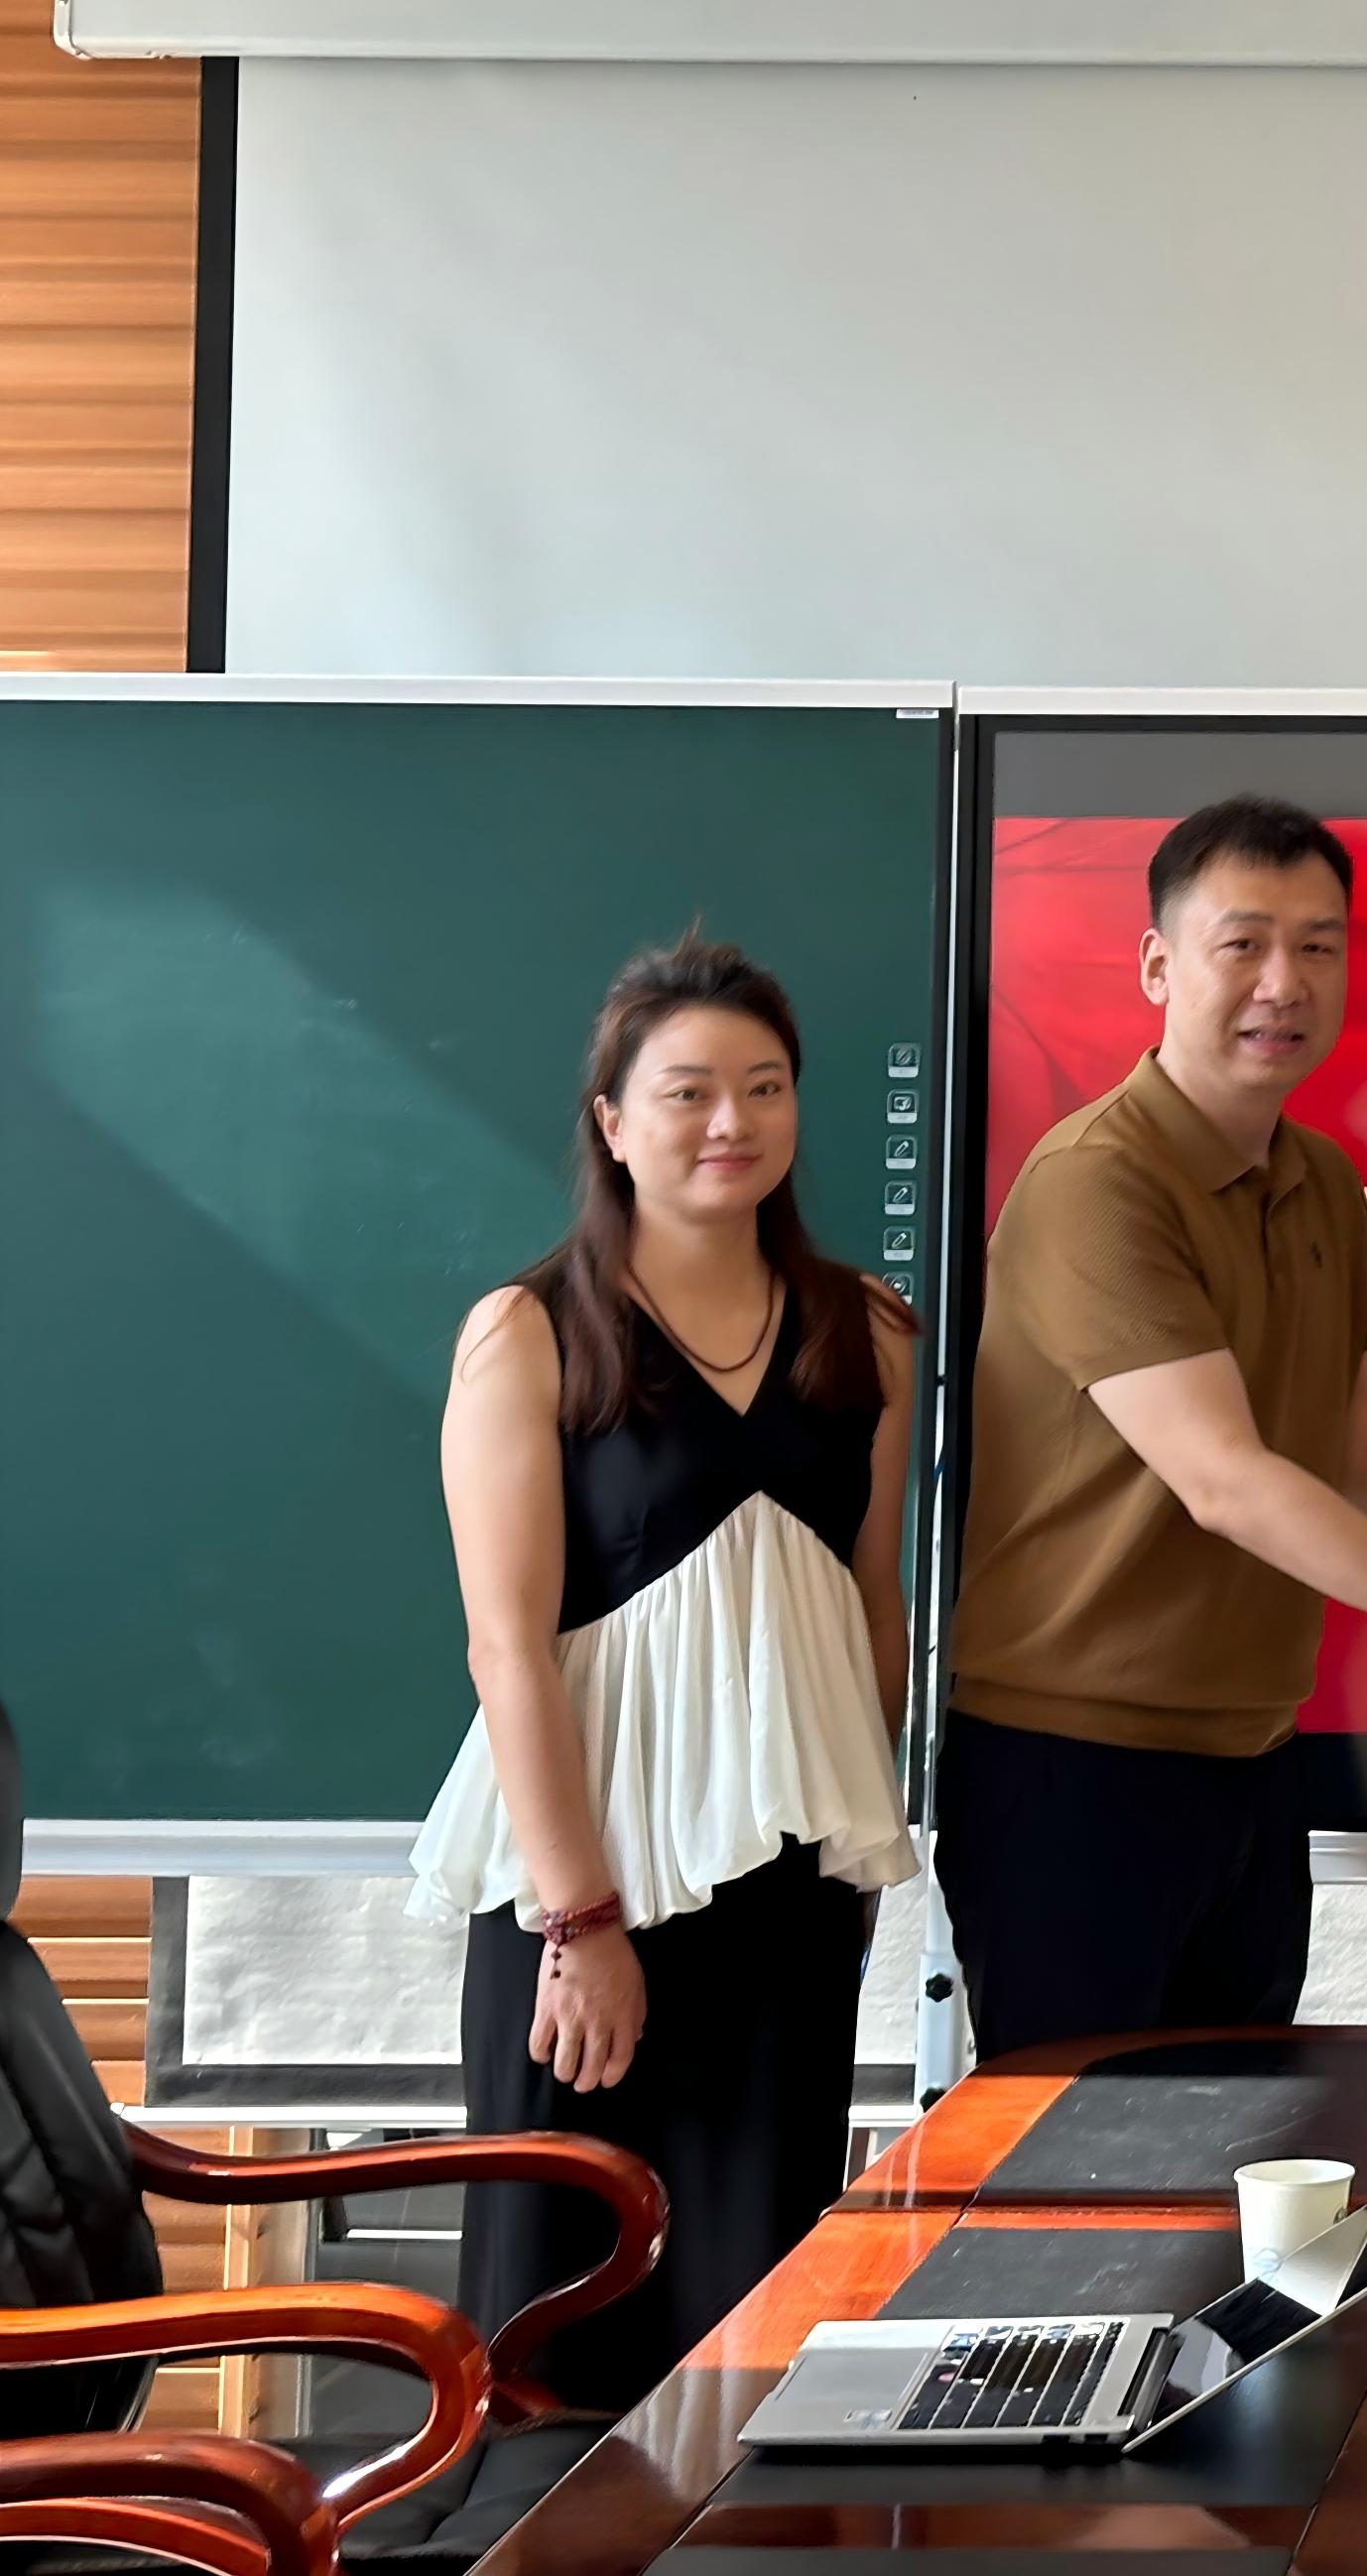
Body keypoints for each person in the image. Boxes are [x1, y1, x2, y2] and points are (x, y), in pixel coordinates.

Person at [939, 796, 1367, 2061]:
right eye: (1244, 944)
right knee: (1074, 2162)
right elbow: (1226, 1480)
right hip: (1072, 1767)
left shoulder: (1322, 1179)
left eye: (1319, 946)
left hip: (1255, 1760)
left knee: (1241, 2148)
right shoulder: (1097, 1179)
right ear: (1157, 964)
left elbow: (1360, 1462)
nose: (1285, 982)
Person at [410, 937, 922, 2410]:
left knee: (752, 2326)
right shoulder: (530, 1333)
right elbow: (505, 1645)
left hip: (785, 1895)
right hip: (587, 1897)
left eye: (764, 1086)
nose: (730, 1121)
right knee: (559, 2331)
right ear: (612, 1121)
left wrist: (857, 1851)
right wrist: (583, 1919)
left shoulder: (869, 1332)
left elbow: (868, 1603)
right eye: (687, 1090)